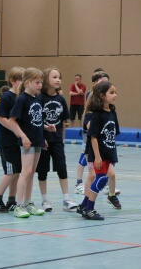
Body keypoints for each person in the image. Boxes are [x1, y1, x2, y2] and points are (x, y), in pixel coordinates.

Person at [4, 68, 46, 218]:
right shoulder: (22, 99)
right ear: (28, 82)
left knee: (31, 173)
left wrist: (46, 130)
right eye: (37, 82)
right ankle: (19, 205)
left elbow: (35, 121)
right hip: (28, 142)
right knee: (25, 172)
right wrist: (23, 137)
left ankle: (28, 203)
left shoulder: (37, 99)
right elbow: (12, 121)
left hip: (37, 141)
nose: (40, 85)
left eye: (41, 82)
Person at [37, 68, 78, 212]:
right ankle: (44, 200)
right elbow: (36, 122)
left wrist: (62, 139)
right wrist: (41, 139)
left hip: (57, 141)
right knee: (42, 171)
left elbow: (64, 121)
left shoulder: (61, 99)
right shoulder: (39, 98)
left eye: (59, 77)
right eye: (54, 77)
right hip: (43, 142)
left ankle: (66, 199)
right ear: (46, 79)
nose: (58, 79)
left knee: (62, 168)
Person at [77, 80, 119, 221]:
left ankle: (84, 205)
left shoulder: (112, 112)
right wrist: (97, 157)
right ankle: (89, 209)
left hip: (108, 152)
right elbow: (93, 137)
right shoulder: (96, 115)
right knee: (101, 179)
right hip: (98, 153)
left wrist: (112, 155)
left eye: (115, 92)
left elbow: (112, 135)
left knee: (102, 178)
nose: (115, 95)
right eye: (112, 93)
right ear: (102, 96)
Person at [0, 67, 24, 213]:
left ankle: (11, 200)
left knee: (17, 171)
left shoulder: (21, 97)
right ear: (12, 81)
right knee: (10, 172)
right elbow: (0, 117)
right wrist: (14, 129)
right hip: (7, 141)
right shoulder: (7, 97)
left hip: (17, 142)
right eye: (21, 79)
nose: (24, 82)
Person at [74, 70, 110, 195]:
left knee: (104, 160)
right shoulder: (92, 95)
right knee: (85, 156)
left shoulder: (107, 98)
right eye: (102, 81)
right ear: (95, 83)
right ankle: (79, 183)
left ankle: (103, 183)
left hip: (101, 135)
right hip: (90, 134)